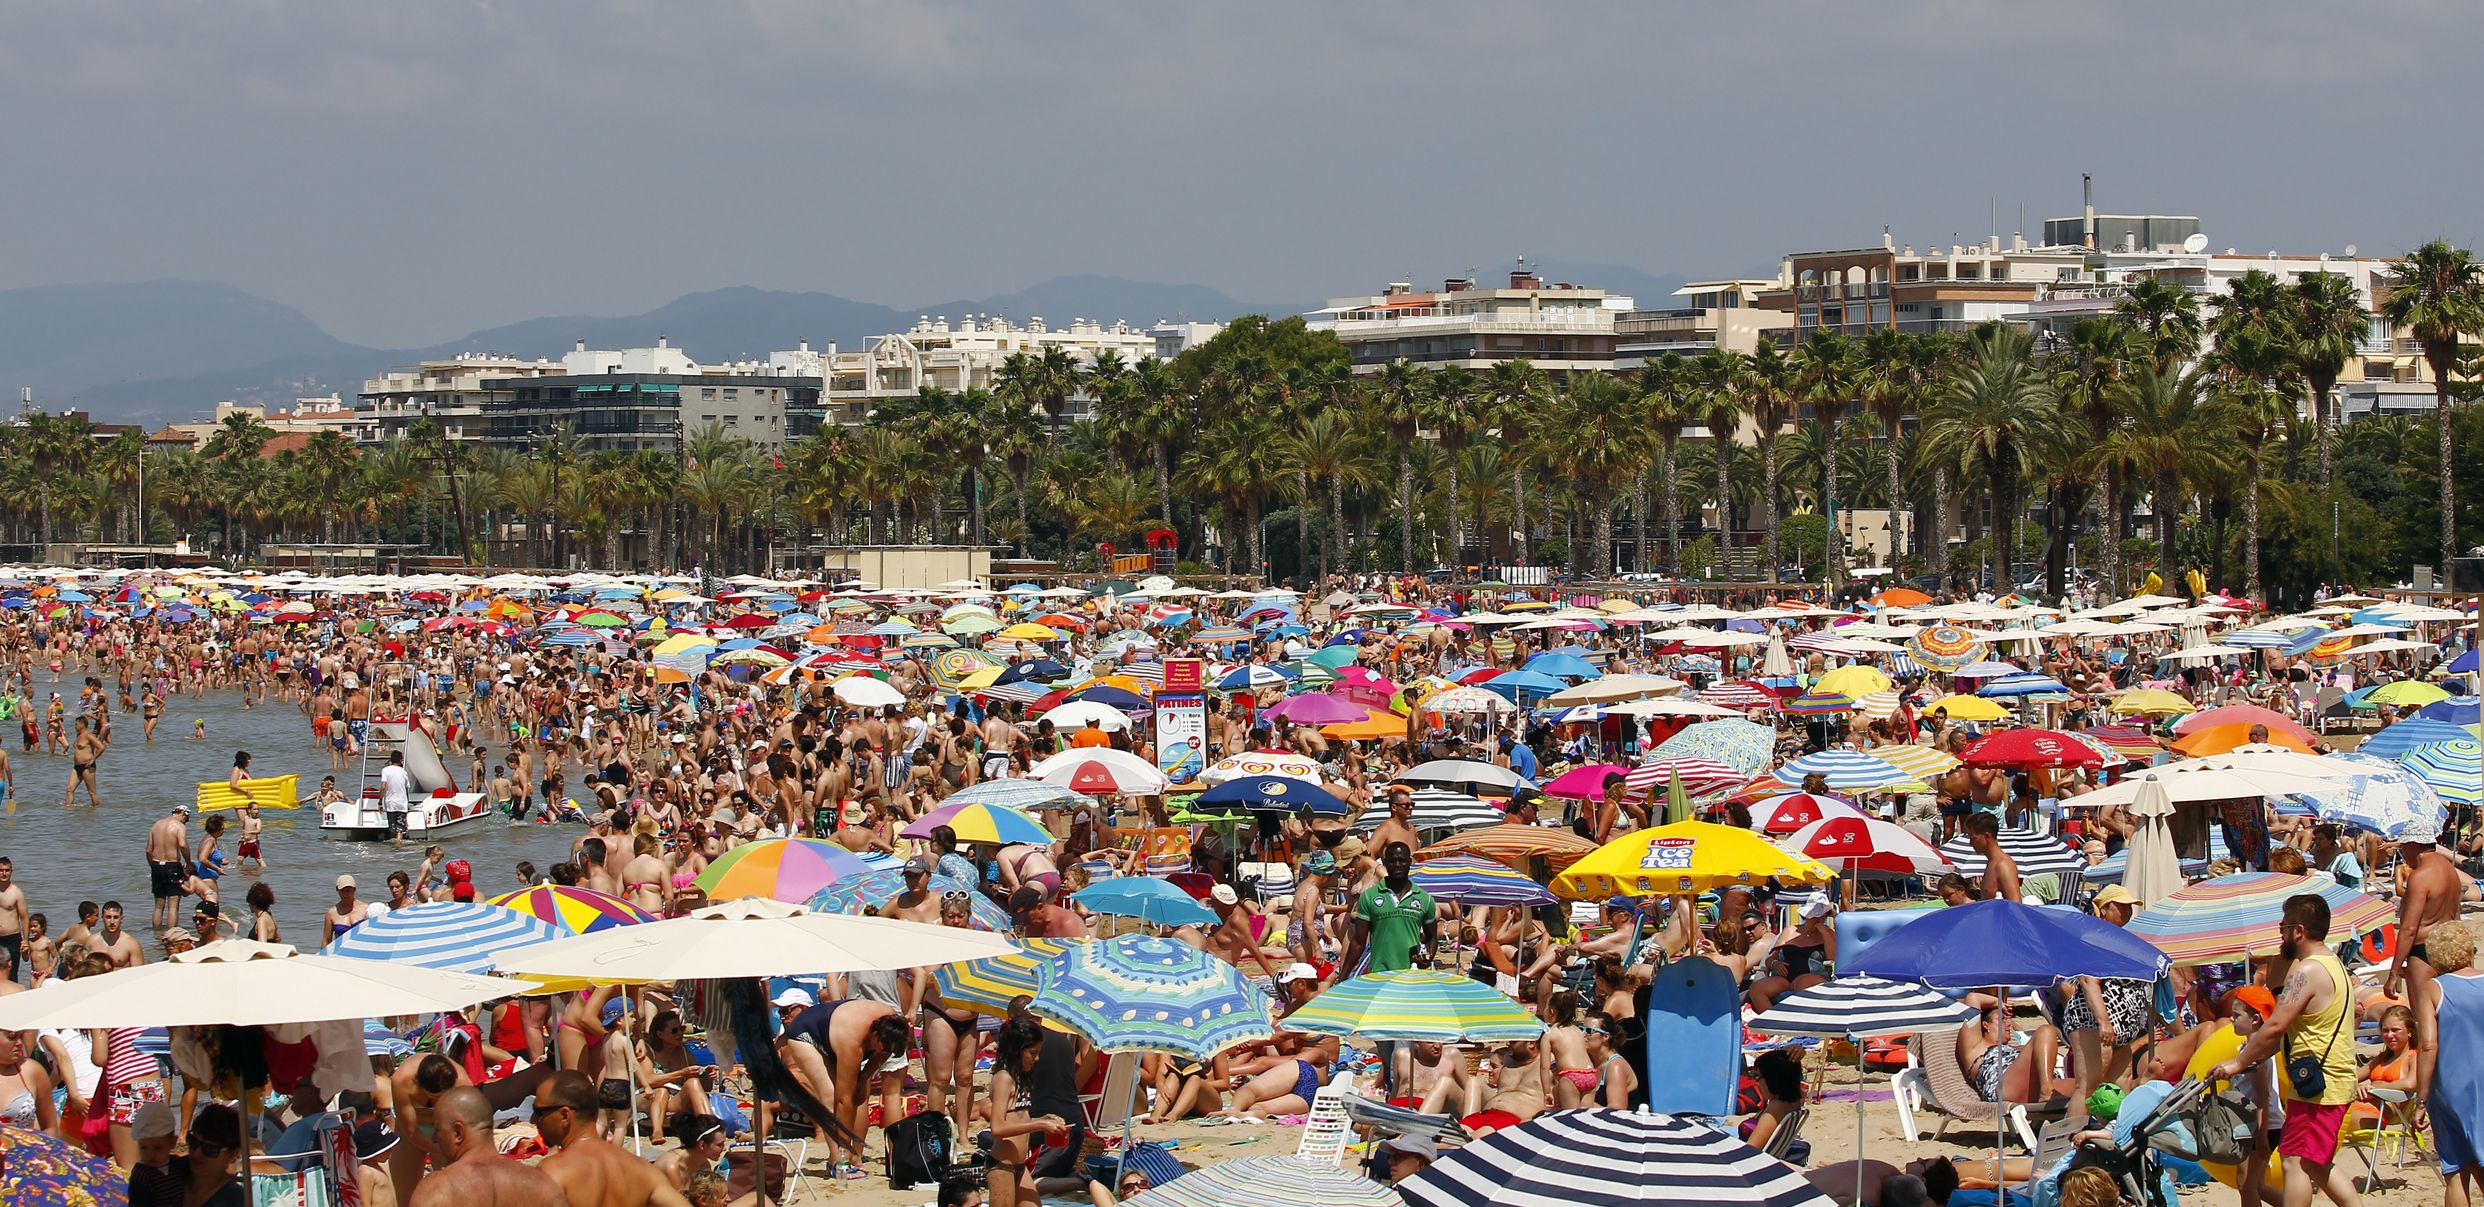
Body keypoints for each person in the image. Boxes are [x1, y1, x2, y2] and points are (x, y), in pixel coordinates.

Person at [2210, 894, 2361, 1207]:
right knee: (2311, 1162)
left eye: (2283, 928)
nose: (2280, 935)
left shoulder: (2308, 971)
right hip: (2330, 1081)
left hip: (2319, 1085)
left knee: (2294, 1160)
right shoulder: (2334, 965)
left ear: (2299, 931)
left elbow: (2275, 1025)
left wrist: (2238, 1063)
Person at [535, 1070, 693, 1207]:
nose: (534, 1119)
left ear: (564, 1115)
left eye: (540, 1111)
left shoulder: (555, 1172)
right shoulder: (642, 1170)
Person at [408, 1087, 570, 1207]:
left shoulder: (437, 1191)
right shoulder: (539, 1184)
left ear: (458, 1132)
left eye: (437, 1130)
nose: (435, 1139)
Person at [2383, 827, 2458, 1089]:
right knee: (2448, 1020)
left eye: (2404, 847)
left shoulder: (2420, 876)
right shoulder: (2450, 871)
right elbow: (2456, 916)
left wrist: (2393, 972)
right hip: (2450, 950)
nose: (2403, 853)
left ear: (2415, 845)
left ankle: (2428, 1087)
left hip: (2423, 951)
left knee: (2424, 1026)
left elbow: (2409, 929)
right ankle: (2450, 1076)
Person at [1343, 841, 1435, 974]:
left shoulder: (1424, 899)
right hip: (1379, 974)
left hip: (1412, 975)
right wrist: (1343, 975)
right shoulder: (1369, 897)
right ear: (1385, 863)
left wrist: (1428, 956)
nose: (1397, 865)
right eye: (1392, 861)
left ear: (1409, 862)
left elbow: (1432, 937)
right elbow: (1358, 941)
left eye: (1402, 860)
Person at [145, 802, 191, 931]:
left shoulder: (156, 825)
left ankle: (156, 936)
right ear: (183, 814)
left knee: (159, 905)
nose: (185, 822)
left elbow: (149, 850)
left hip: (156, 865)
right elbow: (182, 845)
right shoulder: (179, 826)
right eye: (186, 820)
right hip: (172, 865)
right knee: (173, 905)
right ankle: (171, 935)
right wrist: (188, 861)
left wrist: (152, 866)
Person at [1963, 813, 2020, 903]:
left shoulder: (2003, 865)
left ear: (1987, 836)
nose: (1970, 843)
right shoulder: (1992, 863)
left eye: (1973, 839)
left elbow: (2016, 905)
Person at [382, 749, 413, 844]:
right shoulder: (403, 772)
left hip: (390, 803)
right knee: (400, 829)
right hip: (401, 804)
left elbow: (383, 787)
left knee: (392, 829)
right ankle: (398, 847)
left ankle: (393, 850)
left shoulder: (385, 770)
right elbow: (407, 787)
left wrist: (380, 802)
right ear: (401, 760)